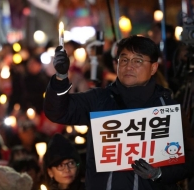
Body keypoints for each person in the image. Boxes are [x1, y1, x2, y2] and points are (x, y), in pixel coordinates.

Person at [44, 35, 194, 190]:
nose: (129, 66)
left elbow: (188, 159)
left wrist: (159, 174)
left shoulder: (166, 107)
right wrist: (60, 78)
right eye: (124, 60)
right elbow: (57, 111)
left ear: (153, 67)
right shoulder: (99, 99)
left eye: (138, 60)